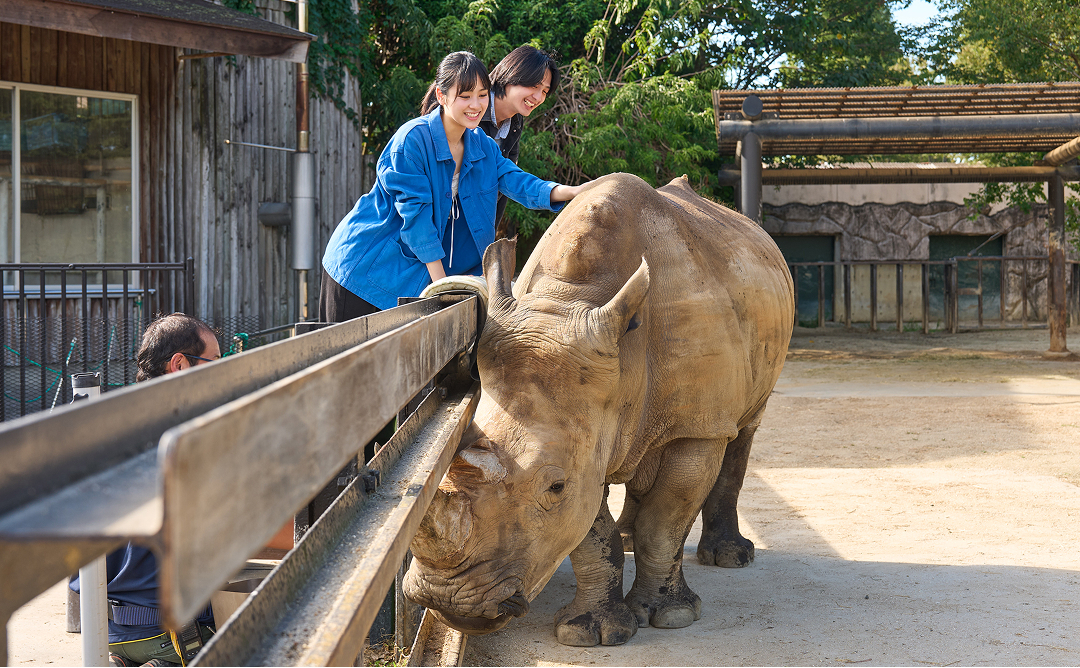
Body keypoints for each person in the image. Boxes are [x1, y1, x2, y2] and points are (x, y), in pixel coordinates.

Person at [319, 50, 594, 323]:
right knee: (342, 365)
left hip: (413, 281)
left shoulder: (483, 145)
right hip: (363, 269)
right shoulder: (412, 140)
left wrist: (573, 192)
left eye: (482, 95)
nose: (475, 104)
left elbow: (518, 181)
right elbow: (417, 222)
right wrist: (443, 290)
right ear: (441, 95)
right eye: (465, 96)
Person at [71, 313, 221, 667]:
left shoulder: (104, 427)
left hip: (109, 632)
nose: (221, 371)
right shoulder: (187, 436)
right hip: (174, 634)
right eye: (214, 362)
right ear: (180, 365)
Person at [479, 45, 560, 239]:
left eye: (545, 91)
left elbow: (506, 183)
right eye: (534, 86)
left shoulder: (515, 123)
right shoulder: (470, 105)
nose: (539, 97)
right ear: (512, 75)